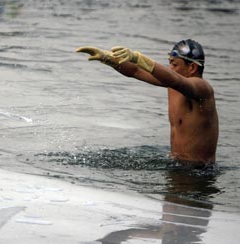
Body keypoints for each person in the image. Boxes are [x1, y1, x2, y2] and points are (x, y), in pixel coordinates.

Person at [76, 40, 219, 167]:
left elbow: (177, 81)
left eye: (175, 64)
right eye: (169, 64)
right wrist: (108, 59)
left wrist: (138, 57)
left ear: (192, 67)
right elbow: (136, 71)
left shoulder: (202, 90)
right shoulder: (173, 86)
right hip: (177, 165)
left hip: (198, 172)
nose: (171, 69)